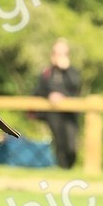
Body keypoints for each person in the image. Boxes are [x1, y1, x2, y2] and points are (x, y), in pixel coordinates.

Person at [34, 38, 82, 168]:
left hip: (70, 113)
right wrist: (51, 95)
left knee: (71, 144)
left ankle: (69, 167)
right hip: (53, 113)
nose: (59, 57)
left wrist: (66, 69)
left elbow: (75, 86)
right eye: (56, 53)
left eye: (62, 54)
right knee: (59, 142)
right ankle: (63, 168)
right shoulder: (47, 72)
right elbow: (38, 90)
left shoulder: (73, 72)